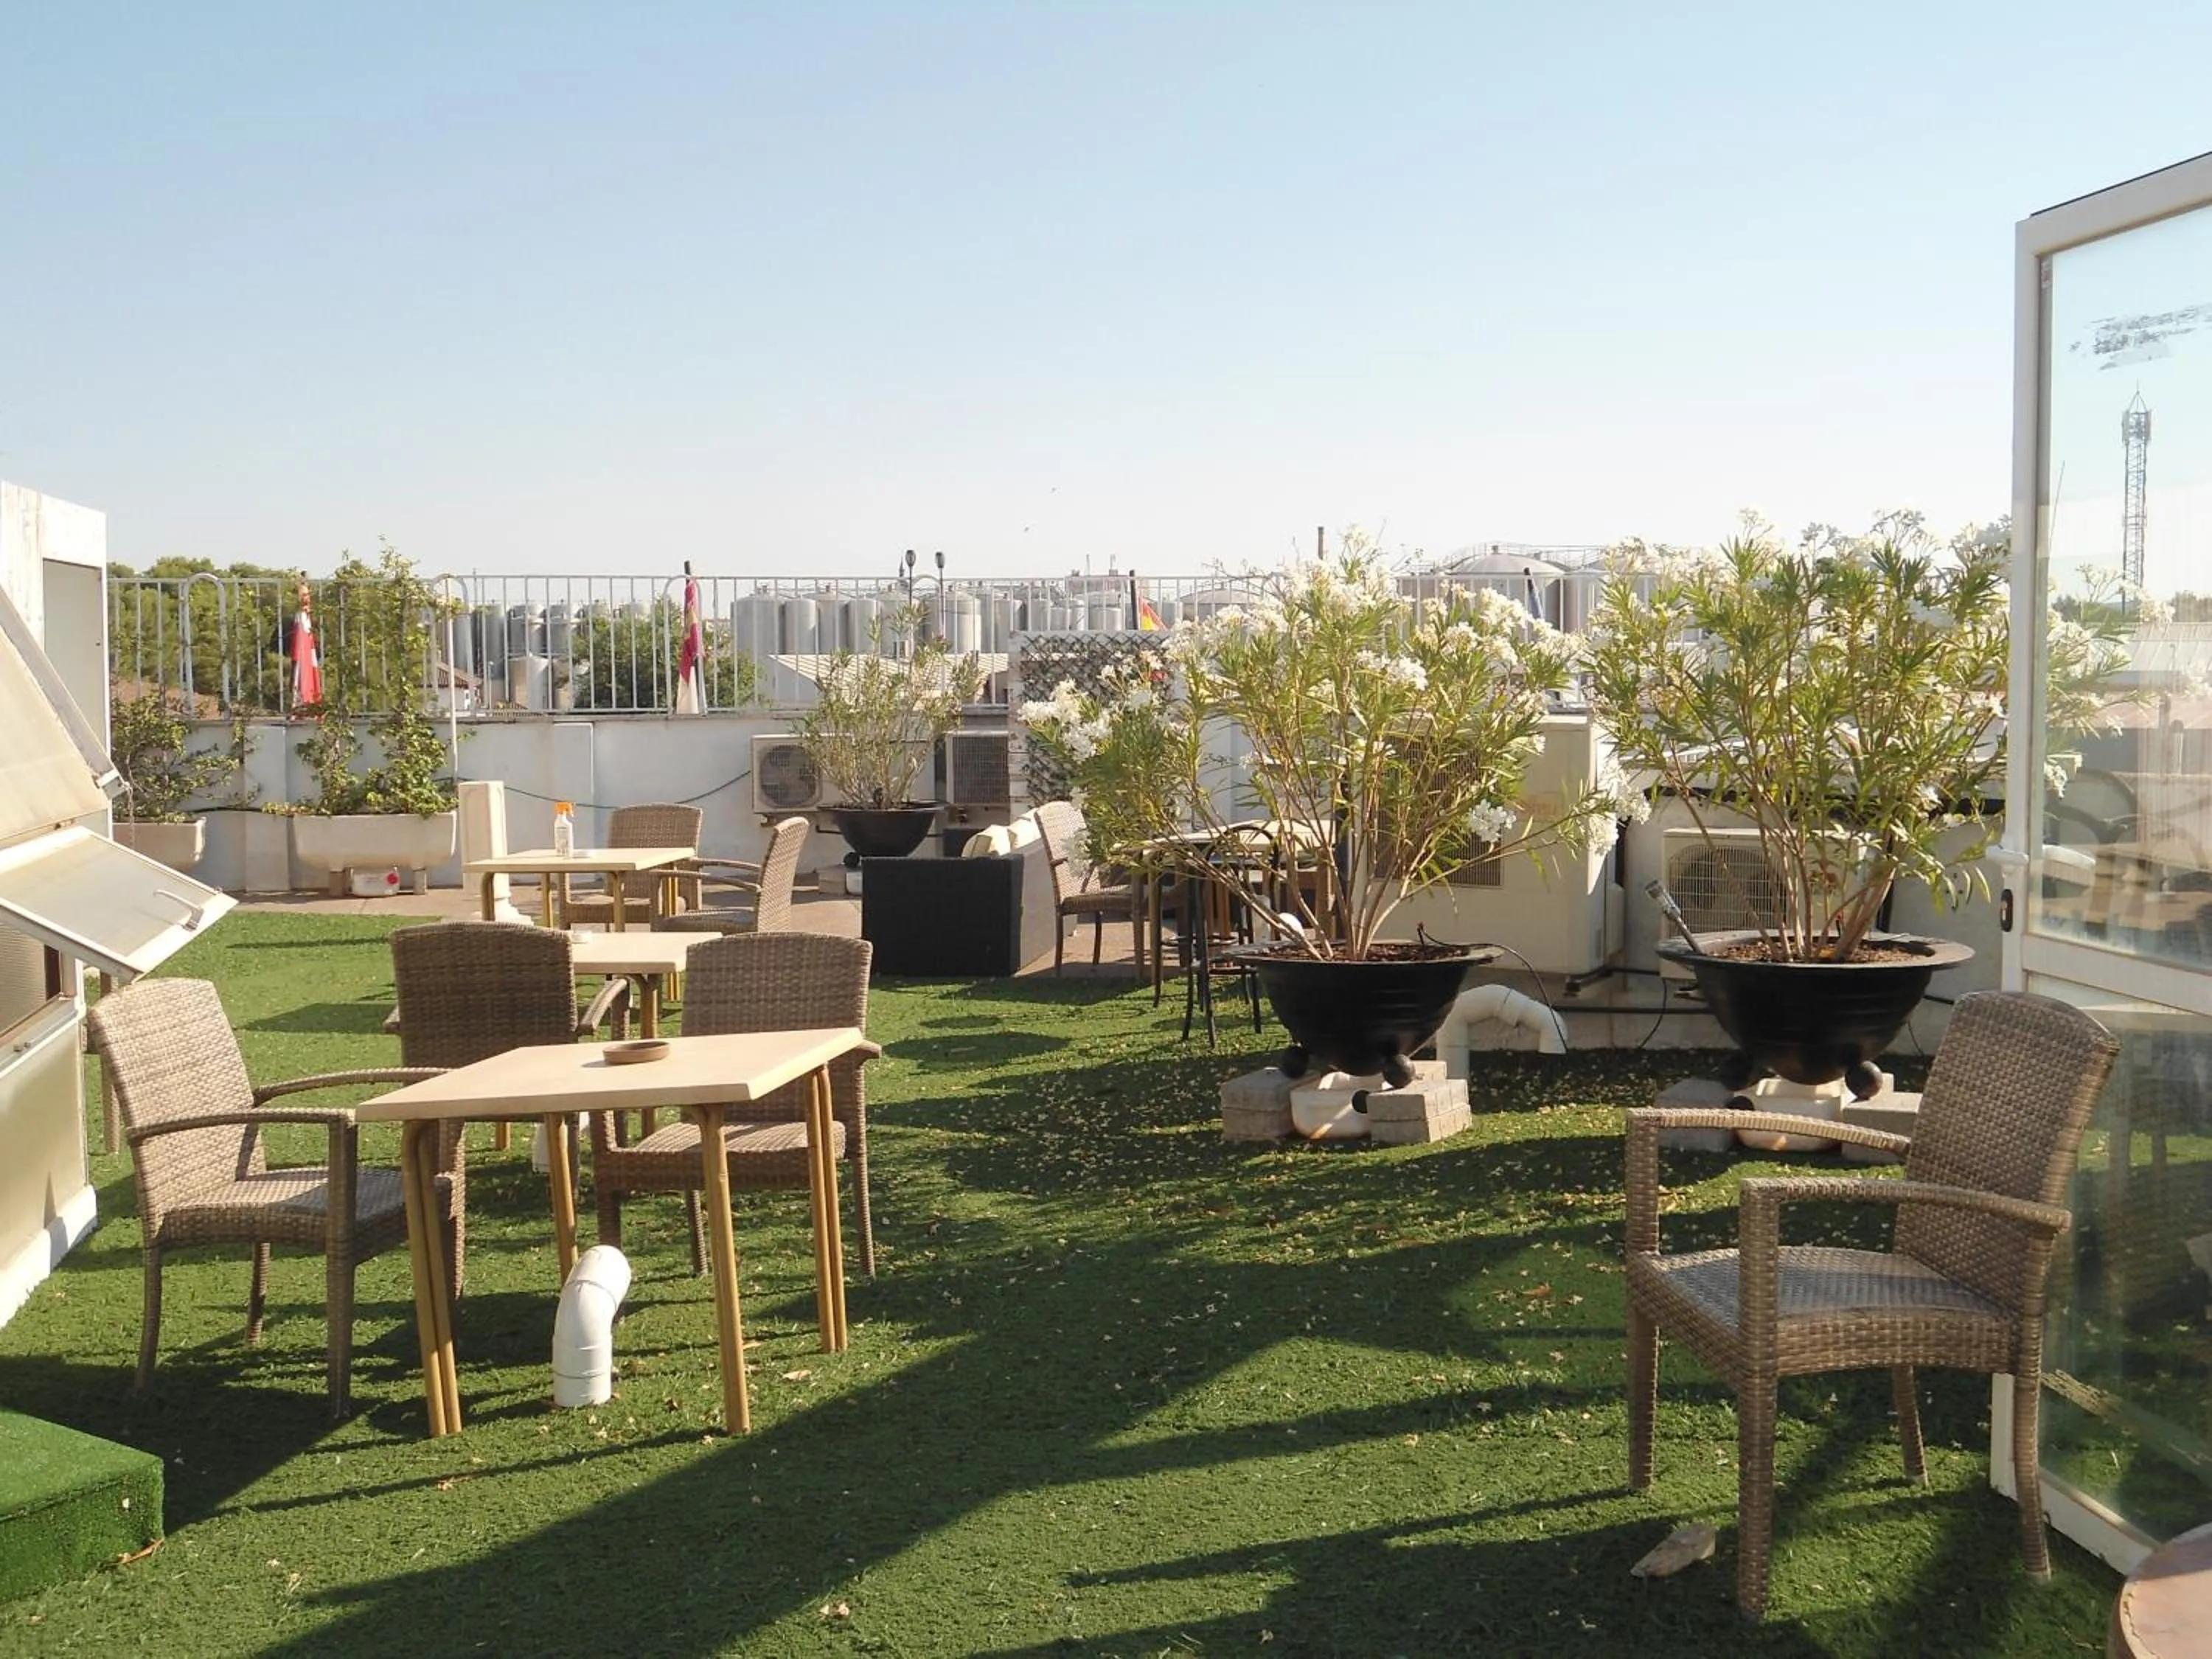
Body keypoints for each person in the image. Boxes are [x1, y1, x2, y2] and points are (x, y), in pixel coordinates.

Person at [288, 582, 323, 710]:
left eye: (307, 595)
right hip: (300, 659)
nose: (305, 598)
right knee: (300, 681)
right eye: (303, 595)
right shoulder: (298, 618)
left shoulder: (311, 617)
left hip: (311, 657)